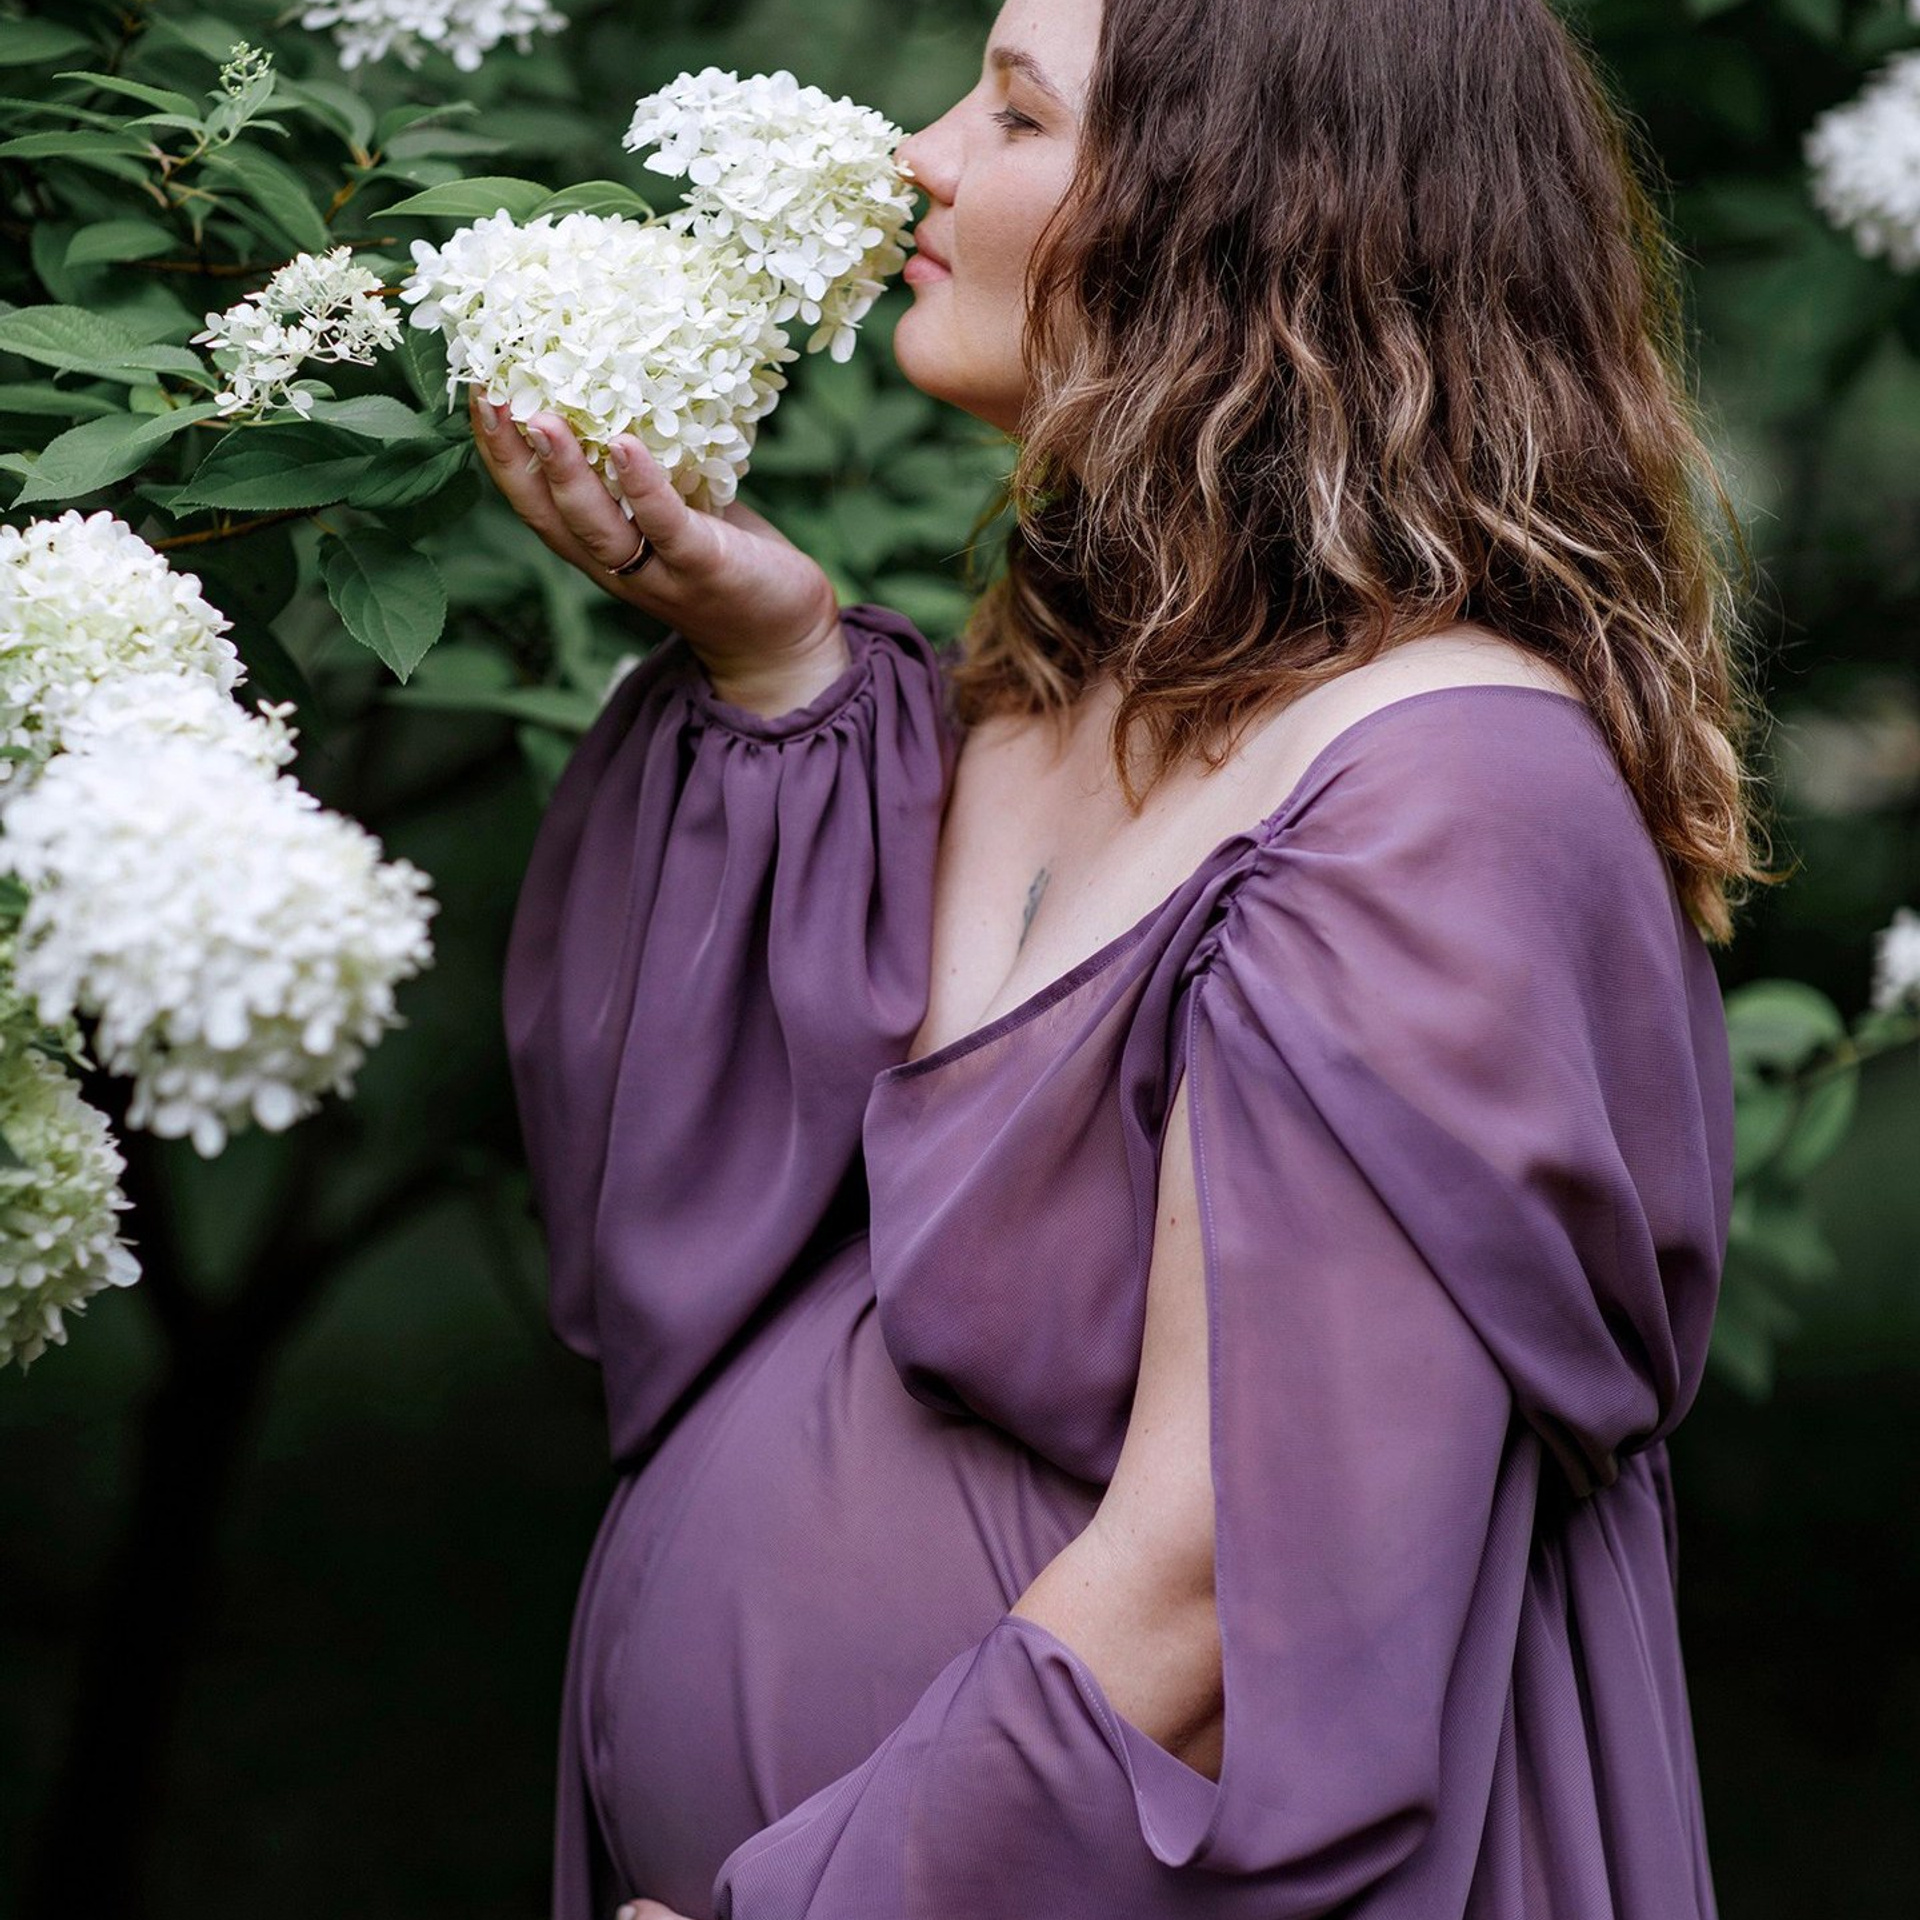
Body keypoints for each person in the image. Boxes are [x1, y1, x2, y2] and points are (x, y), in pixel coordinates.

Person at [474, 0, 1776, 1914]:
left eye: (1011, 114)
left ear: (1240, 224)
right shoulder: (1026, 699)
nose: (918, 156)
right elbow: (689, 1242)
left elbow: (1224, 1589)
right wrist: (774, 664)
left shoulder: (1446, 800)